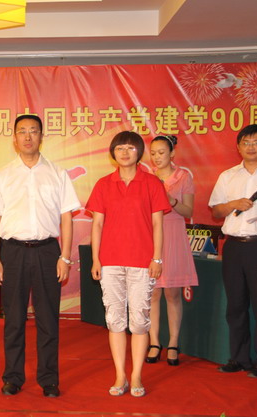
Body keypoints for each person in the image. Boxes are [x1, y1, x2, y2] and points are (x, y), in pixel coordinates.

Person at [0, 114, 80, 398]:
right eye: (22, 131)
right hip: (12, 252)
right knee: (13, 320)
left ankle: (49, 379)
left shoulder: (57, 174)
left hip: (48, 252)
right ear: (14, 138)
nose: (28, 137)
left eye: (33, 131)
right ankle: (13, 377)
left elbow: (67, 218)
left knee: (48, 319)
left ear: (41, 136)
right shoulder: (3, 175)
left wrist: (65, 257)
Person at [86, 131, 170, 397]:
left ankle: (136, 376)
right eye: (119, 148)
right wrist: (96, 259)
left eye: (130, 148)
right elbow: (97, 225)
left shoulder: (152, 183)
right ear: (113, 153)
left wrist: (157, 258)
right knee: (114, 320)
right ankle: (120, 375)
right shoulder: (103, 184)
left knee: (139, 322)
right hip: (110, 263)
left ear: (139, 152)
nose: (124, 153)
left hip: (142, 263)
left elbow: (158, 224)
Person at [209, 124, 257, 378]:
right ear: (238, 147)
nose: (250, 147)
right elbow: (216, 210)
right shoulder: (228, 176)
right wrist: (232, 204)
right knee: (236, 305)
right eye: (246, 143)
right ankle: (239, 358)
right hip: (233, 247)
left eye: (256, 143)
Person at [146, 135, 198, 366]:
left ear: (172, 153)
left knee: (172, 293)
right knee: (152, 293)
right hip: (150, 236)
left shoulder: (183, 177)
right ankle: (154, 342)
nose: (157, 157)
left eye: (161, 153)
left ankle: (174, 343)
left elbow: (188, 212)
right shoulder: (147, 177)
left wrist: (170, 200)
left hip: (174, 235)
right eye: (153, 153)